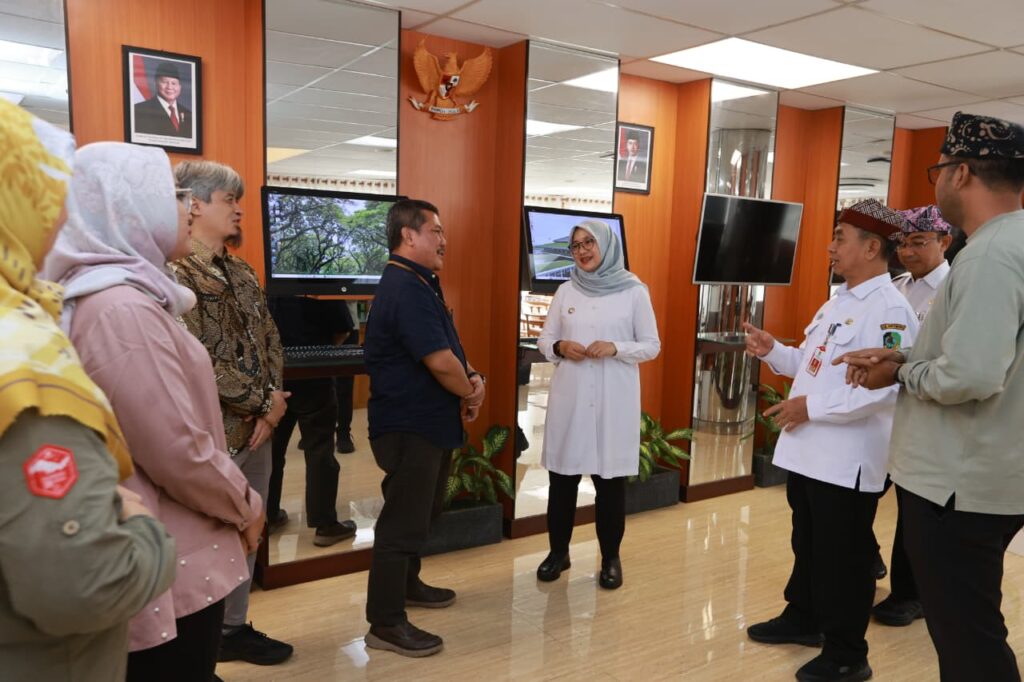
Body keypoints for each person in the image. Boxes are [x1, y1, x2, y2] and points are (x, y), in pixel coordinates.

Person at [44, 141, 266, 681]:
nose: (187, 208)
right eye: (174, 194)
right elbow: (176, 451)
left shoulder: (126, 295)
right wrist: (245, 504)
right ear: (129, 204)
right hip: (166, 557)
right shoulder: (121, 309)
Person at [837, 112, 1024, 681]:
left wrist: (902, 373)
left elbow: (970, 376)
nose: (937, 181)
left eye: (937, 170)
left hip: (957, 484)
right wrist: (907, 360)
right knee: (975, 628)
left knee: (969, 642)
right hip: (998, 472)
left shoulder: (989, 255)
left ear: (961, 173)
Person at [0, 99, 176, 680]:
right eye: (52, 197)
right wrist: (143, 526)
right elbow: (85, 586)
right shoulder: (22, 361)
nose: (59, 219)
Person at [743, 199, 918, 682]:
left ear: (872, 247)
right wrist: (773, 351)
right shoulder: (839, 300)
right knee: (808, 543)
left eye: (840, 237)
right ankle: (804, 618)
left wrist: (811, 408)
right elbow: (811, 366)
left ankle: (847, 653)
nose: (831, 247)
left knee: (844, 558)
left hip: (846, 460)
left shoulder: (890, 310)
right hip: (810, 452)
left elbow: (886, 389)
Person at [170, 160, 293, 666]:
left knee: (249, 531)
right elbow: (197, 355)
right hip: (215, 432)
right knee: (208, 540)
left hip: (260, 430)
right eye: (229, 200)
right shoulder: (176, 273)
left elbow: (270, 340)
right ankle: (199, 644)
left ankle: (233, 628)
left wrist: (273, 406)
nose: (239, 209)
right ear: (195, 204)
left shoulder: (242, 270)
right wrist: (264, 403)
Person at [363, 199, 485, 658]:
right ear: (408, 235)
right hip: (409, 426)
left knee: (423, 514)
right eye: (435, 231)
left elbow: (449, 349)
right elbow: (438, 361)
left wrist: (473, 378)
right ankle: (385, 622)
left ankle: (407, 586)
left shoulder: (420, 282)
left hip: (429, 424)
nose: (443, 240)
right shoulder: (405, 286)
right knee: (401, 523)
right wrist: (470, 392)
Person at [534, 219, 660, 590]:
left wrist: (616, 347)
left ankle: (610, 559)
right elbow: (545, 340)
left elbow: (652, 345)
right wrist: (559, 347)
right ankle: (558, 553)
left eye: (589, 242)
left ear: (607, 244)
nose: (583, 251)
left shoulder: (634, 291)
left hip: (613, 401)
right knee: (562, 481)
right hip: (571, 399)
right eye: (575, 246)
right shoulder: (565, 291)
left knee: (610, 486)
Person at [871, 204, 952, 629]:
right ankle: (868, 559)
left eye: (919, 242)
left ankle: (910, 595)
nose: (907, 251)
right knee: (859, 495)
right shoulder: (897, 286)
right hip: (882, 412)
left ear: (944, 242)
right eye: (903, 243)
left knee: (913, 512)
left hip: (925, 414)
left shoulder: (955, 289)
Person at [266, 295, 357, 545]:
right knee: (319, 450)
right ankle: (325, 525)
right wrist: (320, 354)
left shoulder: (272, 287)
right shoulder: (322, 286)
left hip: (276, 377)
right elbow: (342, 330)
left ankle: (268, 516)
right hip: (314, 376)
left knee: (272, 452)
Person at [134, 61, 193, 138]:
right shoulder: (139, 110)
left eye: (174, 83)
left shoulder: (189, 115)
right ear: (156, 83)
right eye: (164, 82)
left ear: (179, 87)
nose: (169, 87)